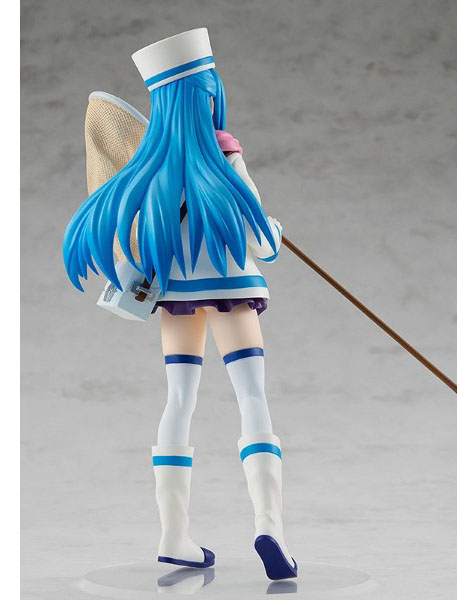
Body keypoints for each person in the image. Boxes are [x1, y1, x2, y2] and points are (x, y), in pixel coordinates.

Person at [63, 28, 297, 581]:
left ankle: (173, 536)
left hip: (176, 300)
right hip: (234, 292)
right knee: (252, 397)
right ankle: (271, 528)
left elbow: (137, 241)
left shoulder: (145, 168)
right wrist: (276, 231)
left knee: (179, 400)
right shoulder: (225, 156)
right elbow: (261, 242)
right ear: (207, 97)